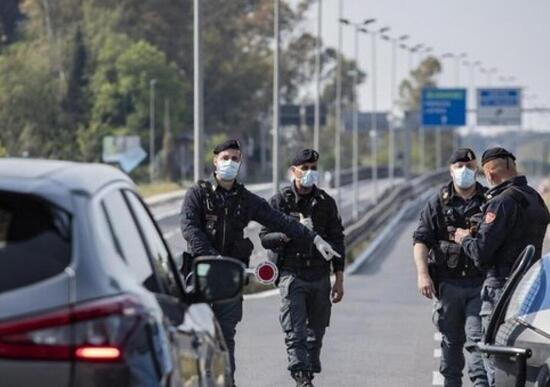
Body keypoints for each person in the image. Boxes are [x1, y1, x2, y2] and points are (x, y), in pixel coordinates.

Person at [179, 139, 339, 387]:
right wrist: (214, 257)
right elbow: (190, 229)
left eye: (235, 159)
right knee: (194, 337)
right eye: (226, 158)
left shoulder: (246, 199)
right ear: (215, 161)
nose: (230, 163)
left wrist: (314, 238)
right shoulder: (198, 194)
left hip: (230, 280)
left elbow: (281, 221)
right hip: (200, 277)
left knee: (226, 336)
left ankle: (226, 383)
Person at [454, 147, 550, 386]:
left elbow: (481, 253)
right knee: (520, 366)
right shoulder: (536, 199)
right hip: (530, 291)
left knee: (495, 362)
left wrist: (464, 238)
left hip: (500, 292)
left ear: (490, 173)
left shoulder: (501, 203)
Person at [260, 149, 345, 387]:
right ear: (293, 171)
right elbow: (265, 237)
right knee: (295, 331)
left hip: (319, 275)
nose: (309, 173)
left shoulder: (326, 203)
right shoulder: (279, 202)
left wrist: (339, 278)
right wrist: (288, 234)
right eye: (304, 168)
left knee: (316, 333)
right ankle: (301, 377)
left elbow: (338, 240)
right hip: (292, 273)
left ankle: (308, 368)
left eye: (314, 168)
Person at [413, 148, 489, 387]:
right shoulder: (438, 202)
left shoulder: (489, 201)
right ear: (451, 169)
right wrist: (423, 274)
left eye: (469, 166)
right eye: (459, 166)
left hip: (480, 284)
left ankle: (481, 383)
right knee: (451, 341)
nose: (464, 171)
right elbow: (421, 241)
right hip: (448, 285)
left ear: (476, 169)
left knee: (477, 341)